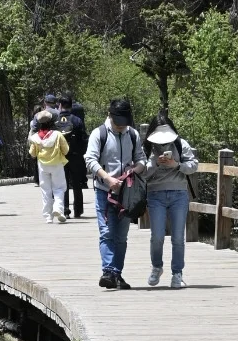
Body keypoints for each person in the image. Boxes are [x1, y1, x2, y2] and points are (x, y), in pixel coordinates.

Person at [85, 98, 145, 290]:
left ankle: (116, 274)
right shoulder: (99, 134)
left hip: (126, 193)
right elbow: (90, 160)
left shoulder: (133, 134)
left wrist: (133, 172)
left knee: (121, 236)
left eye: (124, 122)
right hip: (105, 192)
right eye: (118, 122)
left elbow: (141, 159)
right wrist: (108, 179)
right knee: (107, 233)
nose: (121, 126)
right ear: (109, 115)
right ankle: (108, 271)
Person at [143, 115, 199, 289]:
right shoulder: (147, 147)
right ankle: (157, 267)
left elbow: (193, 166)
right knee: (157, 236)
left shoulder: (181, 144)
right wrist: (155, 163)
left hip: (179, 194)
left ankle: (177, 273)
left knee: (178, 237)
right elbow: (142, 173)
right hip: (155, 194)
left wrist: (176, 165)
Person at [28, 109, 69, 223]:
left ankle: (48, 216)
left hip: (42, 166)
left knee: (45, 190)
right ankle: (58, 209)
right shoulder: (58, 135)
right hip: (57, 164)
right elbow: (66, 150)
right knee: (59, 188)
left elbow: (32, 154)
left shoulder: (35, 137)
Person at [56, 92, 88, 219]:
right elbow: (84, 139)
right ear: (71, 106)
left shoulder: (55, 121)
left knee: (62, 183)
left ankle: (65, 209)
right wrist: (81, 153)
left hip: (60, 156)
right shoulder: (77, 120)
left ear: (60, 105)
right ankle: (78, 210)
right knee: (76, 183)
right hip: (75, 155)